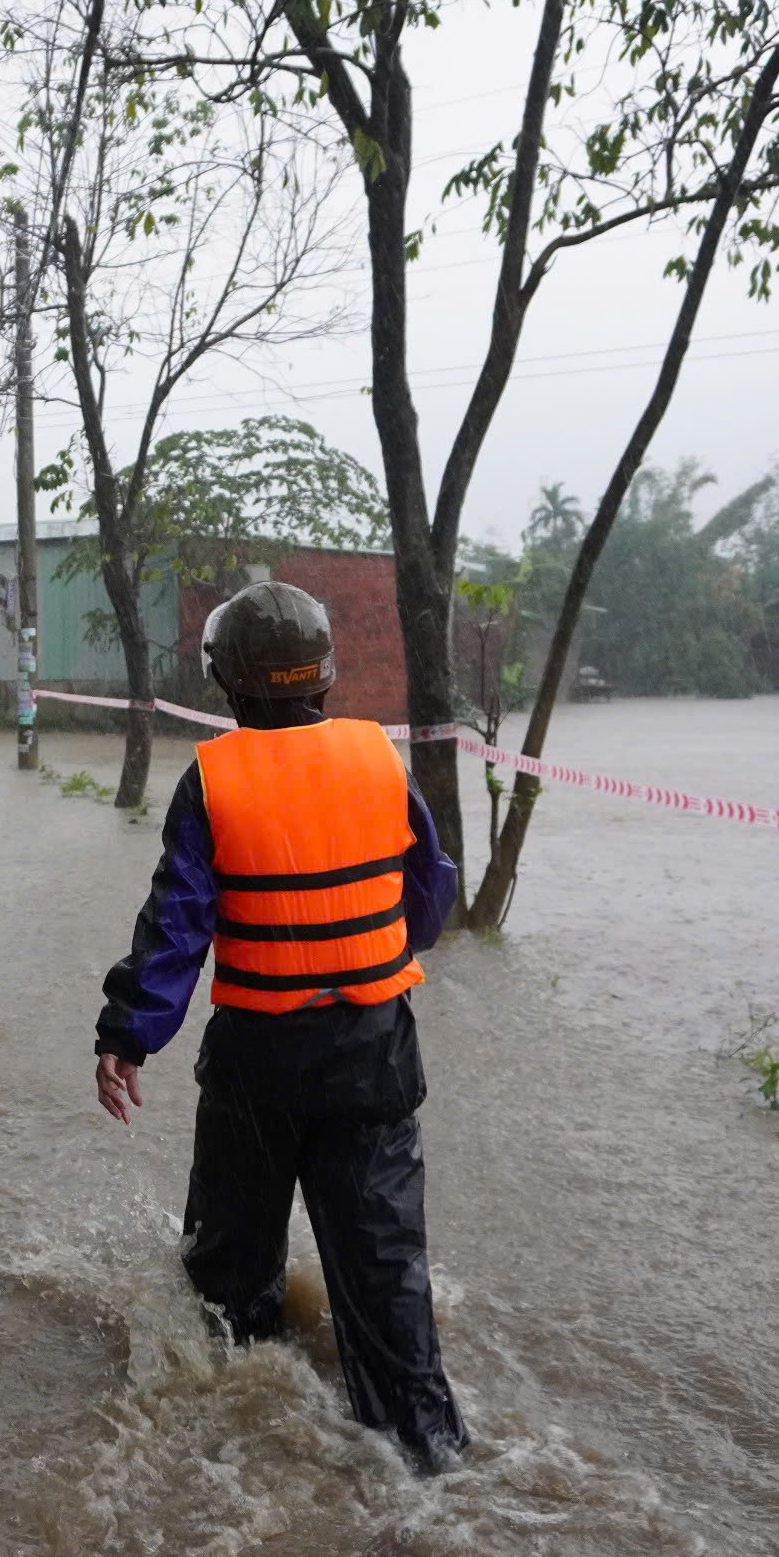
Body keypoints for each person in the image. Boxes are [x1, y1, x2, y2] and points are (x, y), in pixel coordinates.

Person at [92, 579, 468, 1473]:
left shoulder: (212, 779)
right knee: (387, 1284)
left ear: (230, 683)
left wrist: (126, 1035)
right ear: (326, 676)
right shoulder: (382, 760)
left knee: (229, 1280)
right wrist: (369, 952)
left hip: (257, 1063)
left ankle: (231, 1444)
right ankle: (431, 1462)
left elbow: (176, 928)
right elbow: (430, 889)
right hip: (374, 1051)